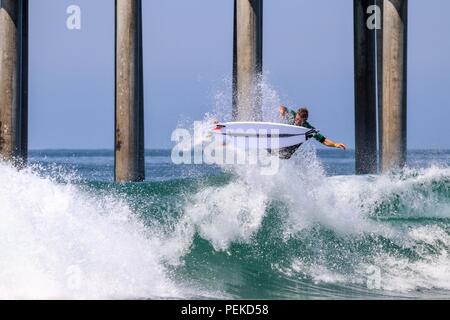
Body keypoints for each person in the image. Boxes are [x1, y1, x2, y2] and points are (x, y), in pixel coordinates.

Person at [277, 107, 347, 159]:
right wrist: (282, 112)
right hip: (282, 142)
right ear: (296, 115)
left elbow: (324, 140)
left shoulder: (309, 129)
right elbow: (282, 108)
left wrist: (335, 144)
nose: (297, 121)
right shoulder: (292, 114)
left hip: (289, 152)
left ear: (305, 120)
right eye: (297, 118)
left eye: (299, 120)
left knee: (282, 155)